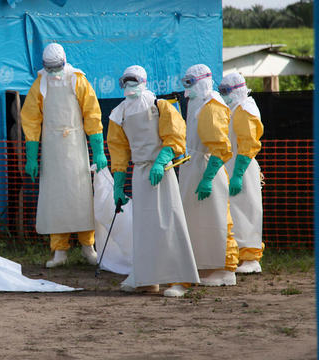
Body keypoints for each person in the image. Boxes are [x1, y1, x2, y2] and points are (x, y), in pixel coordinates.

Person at [107, 65, 199, 297]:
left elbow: (175, 136)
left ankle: (179, 279)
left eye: (133, 80)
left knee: (169, 223)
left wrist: (162, 161)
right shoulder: (119, 114)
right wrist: (118, 185)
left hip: (162, 171)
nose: (129, 85)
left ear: (144, 81)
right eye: (125, 81)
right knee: (144, 228)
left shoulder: (160, 106)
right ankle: (147, 278)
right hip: (140, 173)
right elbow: (119, 151)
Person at [20, 43, 107, 268]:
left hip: (76, 145)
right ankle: (59, 250)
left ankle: (88, 247)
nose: (54, 72)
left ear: (64, 62)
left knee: (81, 197)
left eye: (57, 67)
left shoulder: (77, 80)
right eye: (50, 68)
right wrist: (32, 156)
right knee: (54, 199)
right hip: (52, 149)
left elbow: (92, 113)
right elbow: (30, 119)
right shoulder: (40, 84)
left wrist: (97, 150)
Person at [179, 64, 239, 286]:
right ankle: (204, 266)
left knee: (218, 220)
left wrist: (207, 178)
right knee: (198, 220)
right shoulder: (197, 102)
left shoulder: (212, 105)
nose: (188, 88)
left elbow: (221, 147)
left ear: (203, 81)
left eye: (191, 82)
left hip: (206, 168)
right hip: (192, 166)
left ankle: (226, 269)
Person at [219, 73, 265, 274]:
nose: (224, 95)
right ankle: (237, 254)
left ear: (236, 89)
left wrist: (238, 174)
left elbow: (249, 143)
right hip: (232, 166)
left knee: (247, 211)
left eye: (226, 91)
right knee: (235, 211)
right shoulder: (234, 108)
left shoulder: (246, 109)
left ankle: (251, 258)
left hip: (243, 168)